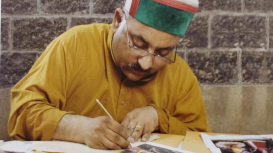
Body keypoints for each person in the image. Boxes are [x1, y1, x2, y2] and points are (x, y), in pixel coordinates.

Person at [8, 0, 210, 150]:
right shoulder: (74, 45)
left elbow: (205, 142)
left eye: (163, 53)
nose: (146, 62)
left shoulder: (180, 75)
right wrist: (80, 128)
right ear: (118, 20)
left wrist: (160, 118)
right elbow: (22, 113)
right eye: (138, 45)